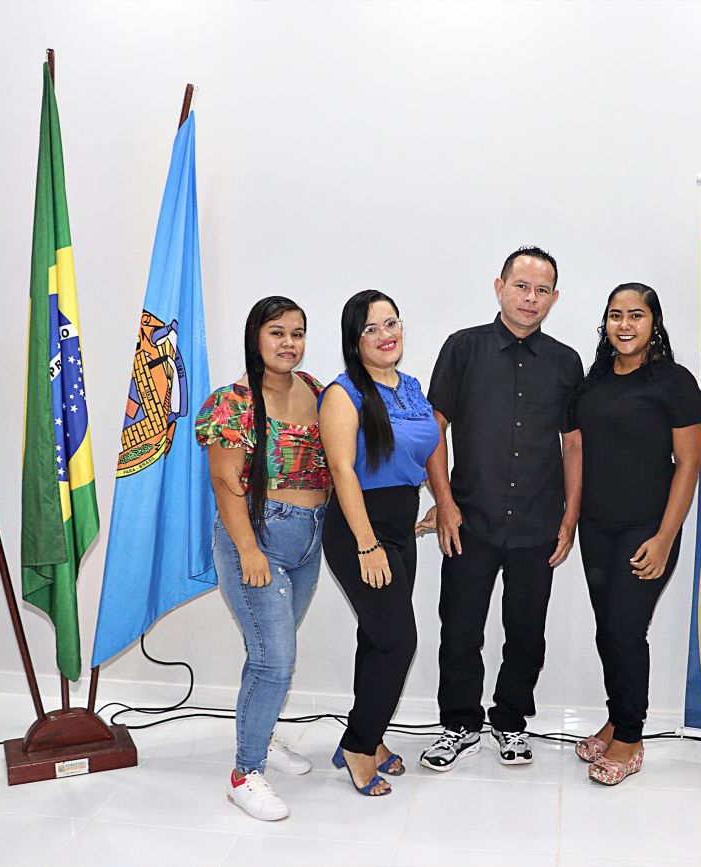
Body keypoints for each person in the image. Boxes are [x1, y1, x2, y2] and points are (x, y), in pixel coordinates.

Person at [418, 246, 584, 771]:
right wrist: (444, 504)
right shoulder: (463, 348)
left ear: (554, 298)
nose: (530, 298)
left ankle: (510, 720)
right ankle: (459, 725)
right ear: (500, 287)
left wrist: (571, 516)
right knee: (460, 629)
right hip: (470, 519)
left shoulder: (566, 362)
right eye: (521, 286)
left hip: (538, 521)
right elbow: (433, 429)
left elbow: (573, 443)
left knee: (526, 633)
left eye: (541, 290)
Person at [196, 296, 332, 821]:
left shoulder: (315, 389)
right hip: (258, 539)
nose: (289, 343)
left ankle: (262, 735)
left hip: (309, 539)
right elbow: (224, 482)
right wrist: (250, 550)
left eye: (297, 333)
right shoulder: (232, 402)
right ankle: (244, 773)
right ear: (256, 337)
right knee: (274, 660)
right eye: (277, 332)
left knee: (269, 654)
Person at [568, 283, 701, 786]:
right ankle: (616, 718)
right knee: (609, 630)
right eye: (615, 315)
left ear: (654, 323)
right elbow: (577, 450)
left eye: (636, 315)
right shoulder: (595, 380)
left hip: (647, 528)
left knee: (626, 631)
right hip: (596, 526)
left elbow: (688, 464)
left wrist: (666, 537)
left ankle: (630, 737)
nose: (624, 325)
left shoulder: (675, 382)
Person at [320, 289, 440, 796]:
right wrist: (367, 544)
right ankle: (358, 746)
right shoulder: (343, 392)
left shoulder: (411, 388)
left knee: (377, 637)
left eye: (392, 323)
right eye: (371, 328)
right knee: (398, 640)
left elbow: (425, 450)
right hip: (358, 529)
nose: (386, 334)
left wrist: (441, 502)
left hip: (400, 525)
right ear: (355, 340)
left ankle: (367, 736)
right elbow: (342, 469)